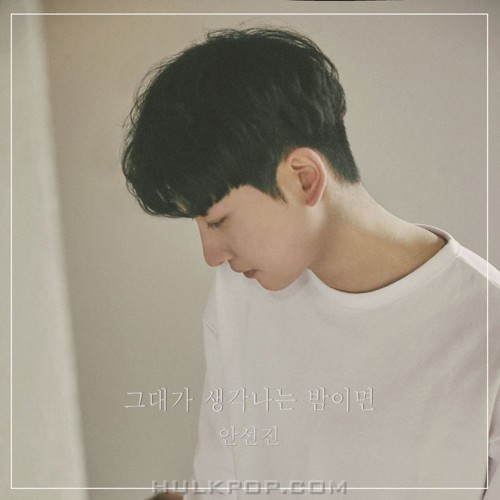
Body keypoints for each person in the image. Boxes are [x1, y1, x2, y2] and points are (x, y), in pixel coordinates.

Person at [122, 27, 499, 500]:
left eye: (218, 220)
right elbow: (219, 484)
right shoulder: (238, 295)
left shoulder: (485, 330)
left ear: (303, 178)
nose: (211, 254)